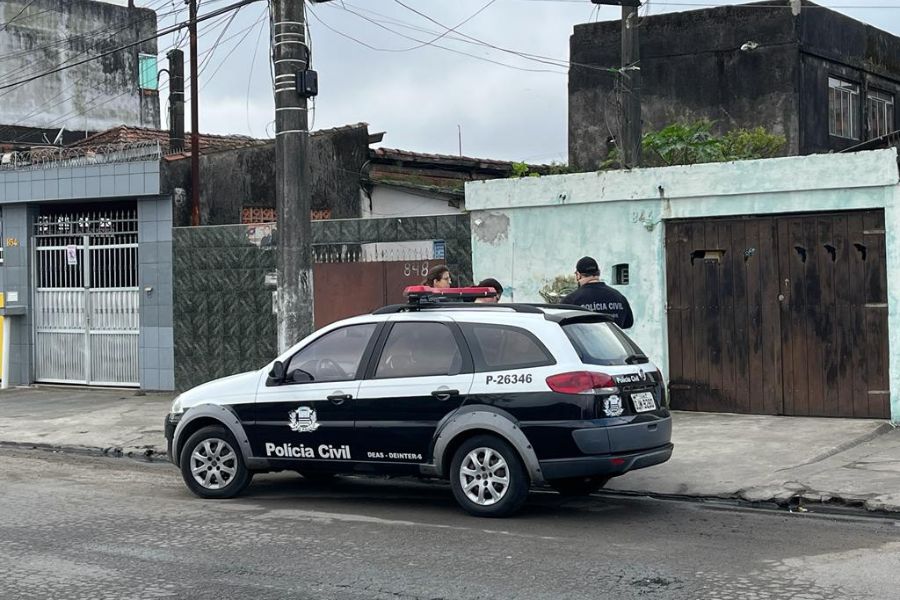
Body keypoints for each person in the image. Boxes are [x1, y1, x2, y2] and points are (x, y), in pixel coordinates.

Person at [562, 256, 634, 329]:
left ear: (578, 275)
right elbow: (628, 324)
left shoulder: (570, 301)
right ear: (598, 272)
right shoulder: (619, 297)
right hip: (612, 340)